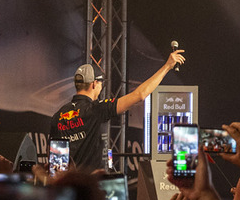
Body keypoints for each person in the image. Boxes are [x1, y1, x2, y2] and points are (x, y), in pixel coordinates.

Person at [50, 51, 185, 170]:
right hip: (90, 187)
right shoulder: (96, 109)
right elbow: (140, 95)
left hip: (65, 189)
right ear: (94, 84)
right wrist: (167, 66)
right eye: (101, 83)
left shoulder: (58, 116)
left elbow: (56, 163)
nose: (101, 87)